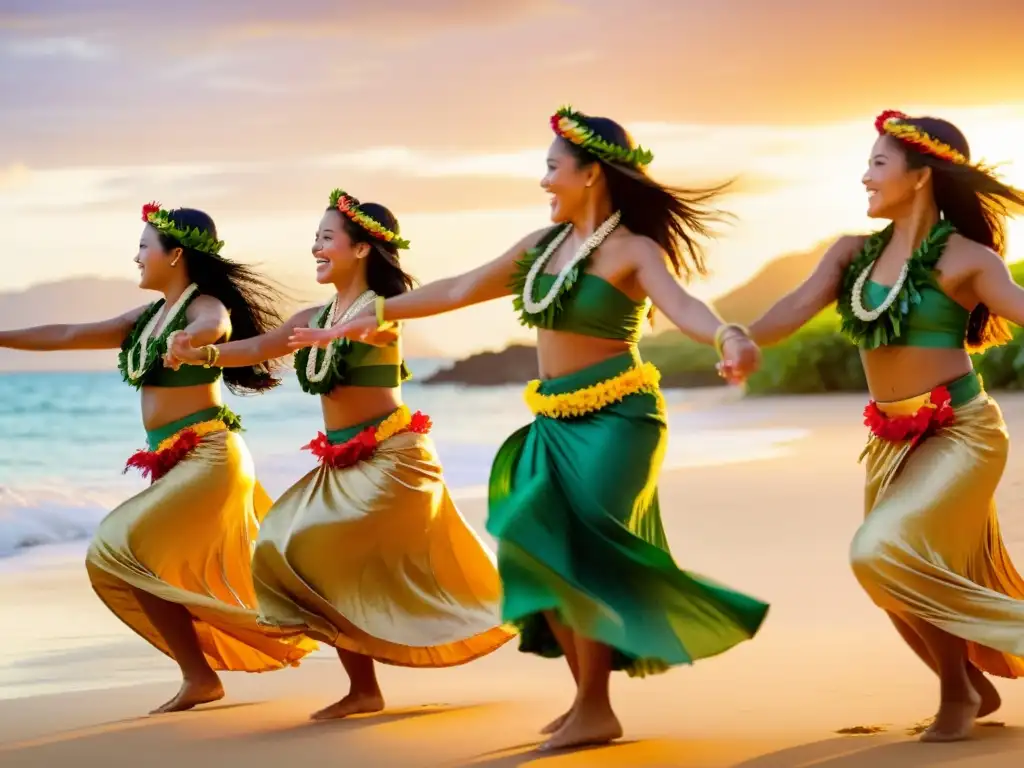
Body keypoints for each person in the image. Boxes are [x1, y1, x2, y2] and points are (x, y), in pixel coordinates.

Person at [288, 108, 770, 751]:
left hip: (620, 419)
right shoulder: (540, 250)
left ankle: (595, 707)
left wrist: (727, 334)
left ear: (591, 174)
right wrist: (364, 316)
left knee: (582, 548)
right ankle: (585, 700)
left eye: (552, 168)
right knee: (532, 537)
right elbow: (460, 288)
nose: (543, 180)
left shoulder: (633, 250)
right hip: (553, 419)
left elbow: (680, 303)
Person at [169, 189, 514, 720]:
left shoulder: (381, 311)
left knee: (318, 547)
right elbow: (262, 348)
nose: (316, 247)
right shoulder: (313, 314)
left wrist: (333, 332)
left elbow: (372, 327)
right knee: (286, 548)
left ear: (361, 249)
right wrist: (204, 353)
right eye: (315, 238)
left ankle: (520, 613)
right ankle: (364, 689)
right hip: (341, 462)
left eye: (327, 238)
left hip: (395, 460)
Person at [748, 110, 1024, 742]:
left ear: (921, 176)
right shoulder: (851, 254)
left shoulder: (968, 260)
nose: (865, 176)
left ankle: (956, 693)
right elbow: (794, 305)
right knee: (888, 574)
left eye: (878, 163)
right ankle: (972, 688)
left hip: (963, 432)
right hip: (890, 439)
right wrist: (735, 335)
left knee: (881, 551)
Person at [0, 203, 317, 713]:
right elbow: (67, 335)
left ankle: (219, 664)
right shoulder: (145, 319)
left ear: (175, 255)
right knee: (138, 563)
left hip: (210, 455)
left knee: (121, 546)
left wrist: (194, 341)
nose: (137, 257)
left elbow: (216, 322)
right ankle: (200, 677)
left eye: (145, 247)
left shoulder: (201, 306)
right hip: (170, 461)